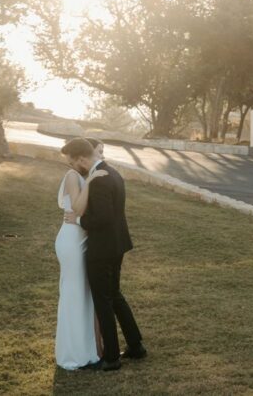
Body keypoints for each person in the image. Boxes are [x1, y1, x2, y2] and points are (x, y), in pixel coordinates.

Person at [61, 138, 145, 371]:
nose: (74, 166)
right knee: (115, 295)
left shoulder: (99, 180)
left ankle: (111, 357)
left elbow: (103, 218)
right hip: (117, 245)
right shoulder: (113, 172)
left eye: (73, 161)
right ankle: (136, 346)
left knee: (103, 300)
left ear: (82, 158)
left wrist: (77, 219)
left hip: (102, 249)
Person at [54, 140, 104, 370]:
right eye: (71, 160)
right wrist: (90, 183)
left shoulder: (79, 175)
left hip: (79, 239)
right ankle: (74, 356)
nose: (72, 162)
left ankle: (87, 351)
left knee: (82, 295)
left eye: (72, 158)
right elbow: (78, 209)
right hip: (72, 242)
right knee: (74, 296)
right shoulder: (73, 176)